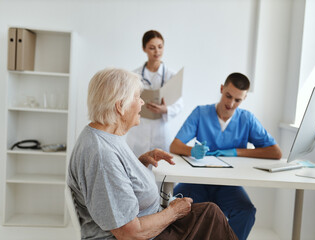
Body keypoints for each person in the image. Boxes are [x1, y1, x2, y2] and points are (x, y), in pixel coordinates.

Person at [67, 68, 238, 240]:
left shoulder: (104, 136)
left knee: (210, 212)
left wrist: (139, 163)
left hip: (148, 225)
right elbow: (130, 233)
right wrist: (173, 212)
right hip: (141, 236)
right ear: (120, 106)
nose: (142, 102)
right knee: (211, 218)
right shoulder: (102, 155)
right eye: (137, 97)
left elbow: (115, 183)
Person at [170, 72, 282, 240]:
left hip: (227, 186)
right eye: (228, 96)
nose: (230, 104)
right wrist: (191, 151)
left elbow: (275, 152)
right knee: (171, 206)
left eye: (237, 100)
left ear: (244, 99)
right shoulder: (201, 113)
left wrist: (237, 151)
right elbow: (175, 145)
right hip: (198, 181)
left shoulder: (247, 119)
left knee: (246, 212)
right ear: (222, 89)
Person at [126, 30, 183, 157]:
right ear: (144, 49)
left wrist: (165, 109)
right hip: (139, 130)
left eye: (160, 47)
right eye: (152, 48)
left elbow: (179, 104)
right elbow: (126, 100)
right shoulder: (134, 75)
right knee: (137, 166)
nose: (157, 51)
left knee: (160, 170)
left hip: (161, 131)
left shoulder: (171, 76)